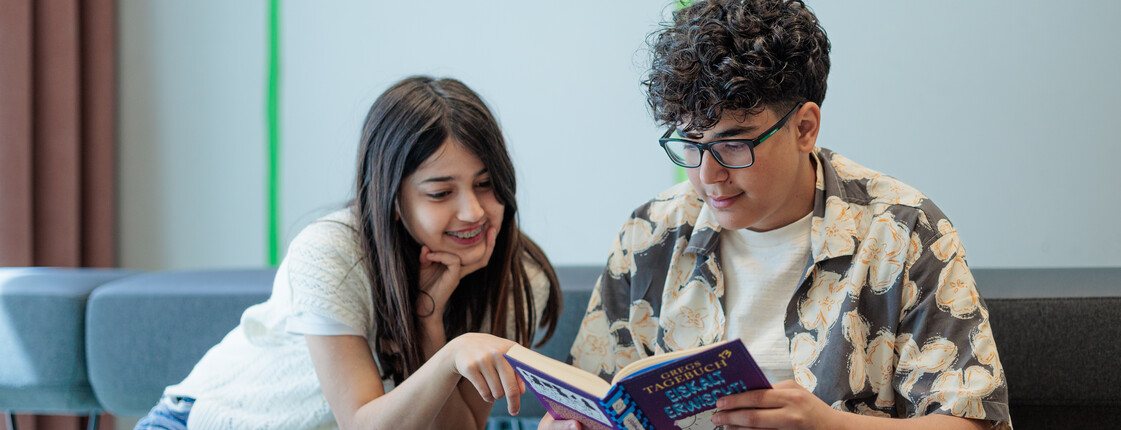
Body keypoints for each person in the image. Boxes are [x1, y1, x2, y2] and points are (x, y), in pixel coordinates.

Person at [542, 0, 1010, 429]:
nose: (708, 176)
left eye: (732, 144)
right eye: (690, 144)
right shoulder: (652, 233)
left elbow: (971, 421)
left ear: (804, 128)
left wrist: (832, 426)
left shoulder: (903, 230)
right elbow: (591, 394)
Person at [135, 76, 562, 430]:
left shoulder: (518, 275)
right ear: (392, 197)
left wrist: (429, 324)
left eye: (486, 184)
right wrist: (454, 353)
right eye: (441, 192)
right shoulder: (331, 253)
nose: (473, 211)